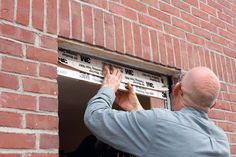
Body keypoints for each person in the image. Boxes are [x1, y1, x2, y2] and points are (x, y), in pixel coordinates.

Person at [84, 66, 230, 157]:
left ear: (177, 89)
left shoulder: (159, 122)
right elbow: (165, 140)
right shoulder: (221, 141)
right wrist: (137, 110)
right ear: (213, 105)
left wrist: (108, 87)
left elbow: (94, 117)